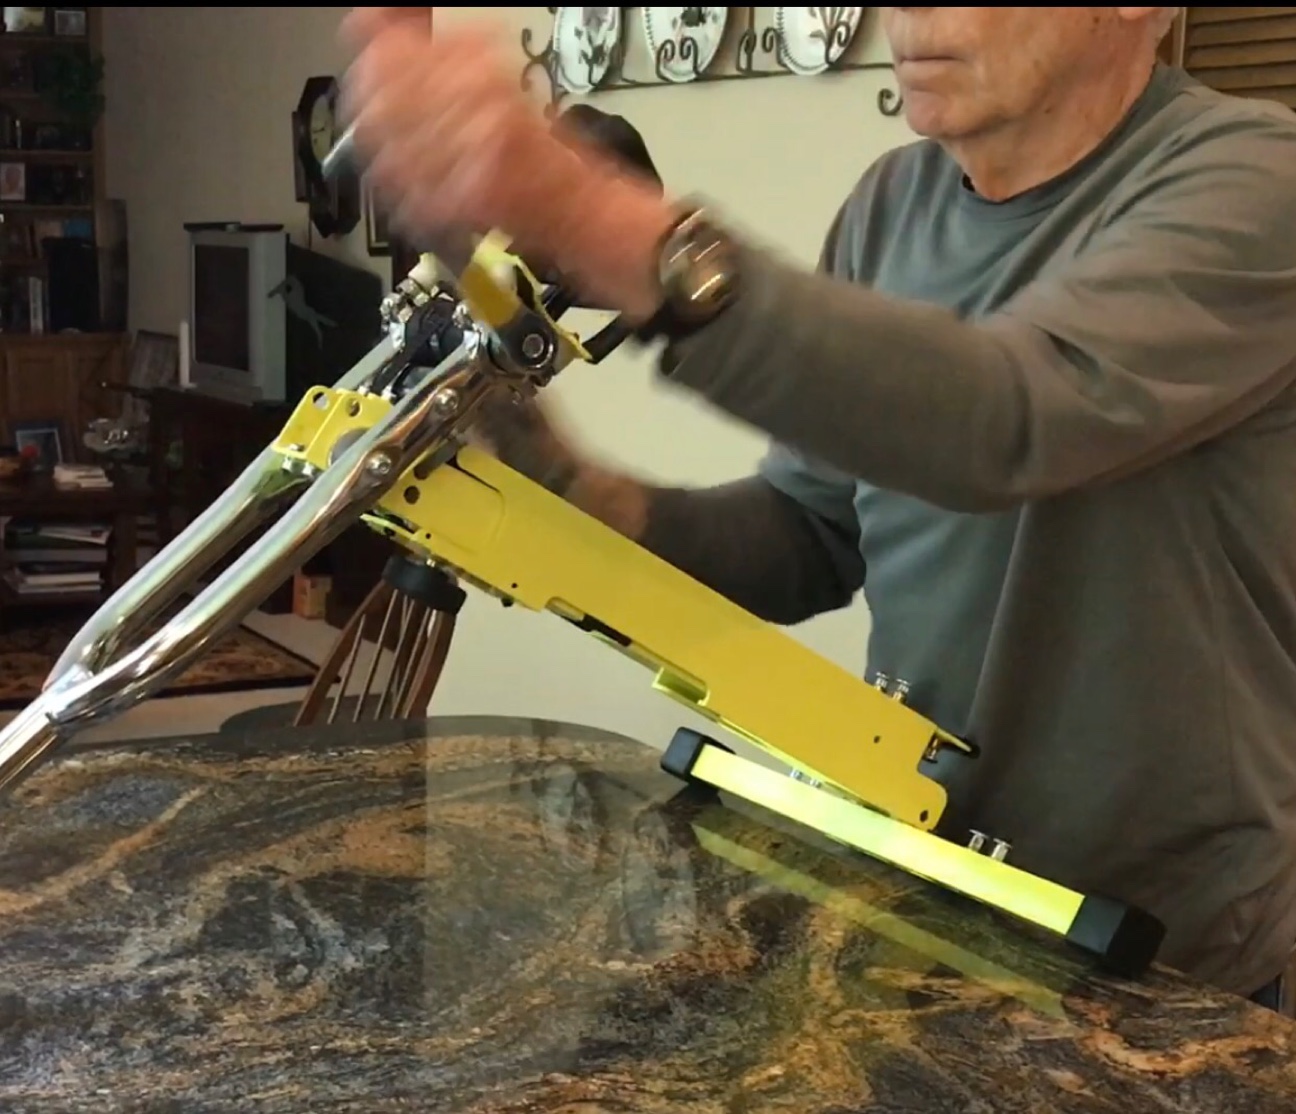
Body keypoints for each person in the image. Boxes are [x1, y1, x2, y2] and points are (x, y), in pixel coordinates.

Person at [341, 7, 1296, 1010]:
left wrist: (598, 223)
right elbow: (808, 536)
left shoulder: (1253, 180)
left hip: (1163, 957)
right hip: (929, 890)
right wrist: (571, 489)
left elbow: (1008, 419)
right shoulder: (892, 205)